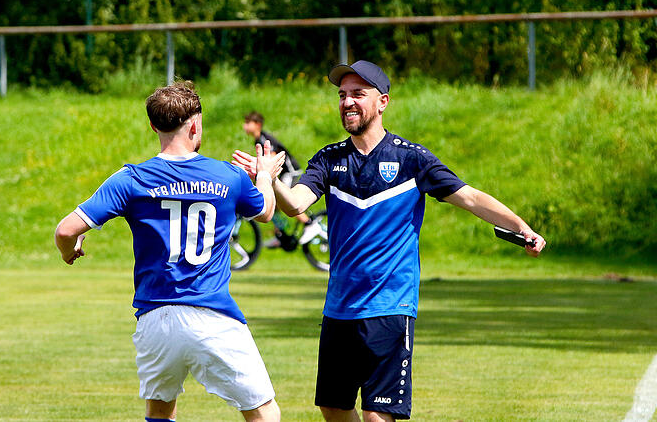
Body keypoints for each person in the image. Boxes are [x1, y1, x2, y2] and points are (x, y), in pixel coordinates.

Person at [233, 60, 545, 422]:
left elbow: (471, 198)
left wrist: (522, 227)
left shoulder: (411, 159)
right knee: (333, 409)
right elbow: (296, 204)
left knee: (377, 416)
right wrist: (269, 180)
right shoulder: (329, 159)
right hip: (339, 309)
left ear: (382, 102)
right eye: (342, 95)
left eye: (357, 94)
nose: (347, 102)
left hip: (390, 308)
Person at [55, 81, 284, 422]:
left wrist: (68, 251)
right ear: (195, 125)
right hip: (211, 314)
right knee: (264, 413)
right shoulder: (228, 176)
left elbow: (65, 230)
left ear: (153, 126)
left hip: (155, 319)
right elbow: (265, 212)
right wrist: (264, 175)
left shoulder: (131, 179)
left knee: (161, 411)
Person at [241, 111, 323, 247]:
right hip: (281, 174)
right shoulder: (258, 139)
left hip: (289, 172)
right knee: (275, 205)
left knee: (285, 199)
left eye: (247, 123)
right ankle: (280, 234)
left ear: (257, 124)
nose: (244, 126)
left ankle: (309, 225)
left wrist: (264, 178)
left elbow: (271, 159)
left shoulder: (264, 139)